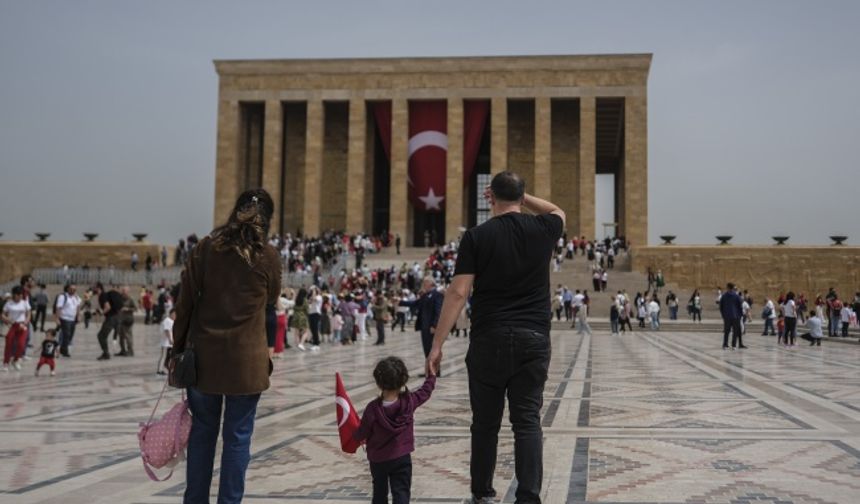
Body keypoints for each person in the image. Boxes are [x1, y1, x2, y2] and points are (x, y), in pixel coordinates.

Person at [426, 171, 564, 504]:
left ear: (491, 199)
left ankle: (482, 494)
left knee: (485, 425)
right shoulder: (544, 228)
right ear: (522, 196)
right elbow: (557, 210)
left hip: (489, 338)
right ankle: (528, 497)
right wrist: (524, 196)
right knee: (527, 421)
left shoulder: (477, 236)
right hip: (533, 337)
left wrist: (437, 344)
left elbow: (459, 292)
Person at [173, 188, 281, 504]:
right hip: (246, 365)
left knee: (202, 436)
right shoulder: (269, 256)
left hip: (204, 360)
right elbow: (271, 303)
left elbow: (185, 304)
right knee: (237, 439)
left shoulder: (205, 249)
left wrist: (178, 348)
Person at [353, 357, 436, 504]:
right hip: (402, 457)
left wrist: (354, 434)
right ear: (403, 380)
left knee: (379, 493)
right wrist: (431, 375)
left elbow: (362, 433)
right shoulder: (409, 401)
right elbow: (426, 392)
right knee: (401, 492)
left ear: (378, 382)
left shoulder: (372, 409)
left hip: (378, 460)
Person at [2, 286, 31, 372]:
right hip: (13, 325)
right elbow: (3, 315)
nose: (20, 296)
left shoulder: (25, 303)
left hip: (22, 325)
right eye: (18, 295)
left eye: (21, 295)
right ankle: (6, 363)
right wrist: (8, 320)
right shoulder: (9, 303)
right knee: (9, 344)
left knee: (21, 345)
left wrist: (26, 321)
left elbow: (29, 313)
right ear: (14, 295)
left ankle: (16, 360)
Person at [95, 283, 124, 361]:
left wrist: (101, 313)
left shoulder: (102, 295)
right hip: (115, 317)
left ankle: (106, 353)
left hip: (111, 318)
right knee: (102, 335)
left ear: (98, 288)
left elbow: (107, 307)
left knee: (101, 336)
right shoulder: (104, 295)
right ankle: (106, 353)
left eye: (94, 288)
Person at [54, 283, 81, 357]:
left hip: (72, 319)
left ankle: (63, 348)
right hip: (65, 318)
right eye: (71, 289)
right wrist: (57, 318)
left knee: (70, 335)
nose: (73, 291)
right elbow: (58, 308)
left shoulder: (76, 297)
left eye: (74, 289)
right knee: (66, 334)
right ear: (67, 289)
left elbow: (78, 307)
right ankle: (64, 350)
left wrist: (78, 316)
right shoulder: (63, 296)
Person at [719, 283, 745, 350]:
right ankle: (733, 345)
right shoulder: (737, 296)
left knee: (726, 331)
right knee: (735, 331)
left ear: (727, 287)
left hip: (727, 316)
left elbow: (721, 306)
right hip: (735, 316)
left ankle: (725, 344)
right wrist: (740, 315)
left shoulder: (724, 296)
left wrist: (723, 315)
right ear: (733, 288)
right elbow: (740, 306)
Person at [117, 286, 137, 357]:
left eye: (124, 291)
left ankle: (130, 351)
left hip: (128, 320)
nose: (123, 293)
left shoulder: (131, 299)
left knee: (128, 336)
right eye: (122, 291)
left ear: (128, 292)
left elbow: (135, 309)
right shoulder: (120, 299)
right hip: (120, 320)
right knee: (121, 337)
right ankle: (123, 350)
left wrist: (127, 309)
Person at [157, 308, 175, 375]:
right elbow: (167, 330)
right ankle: (160, 369)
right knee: (163, 356)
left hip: (167, 343)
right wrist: (170, 339)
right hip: (166, 343)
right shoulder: (168, 321)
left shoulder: (170, 321)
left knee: (167, 356)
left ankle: (166, 368)